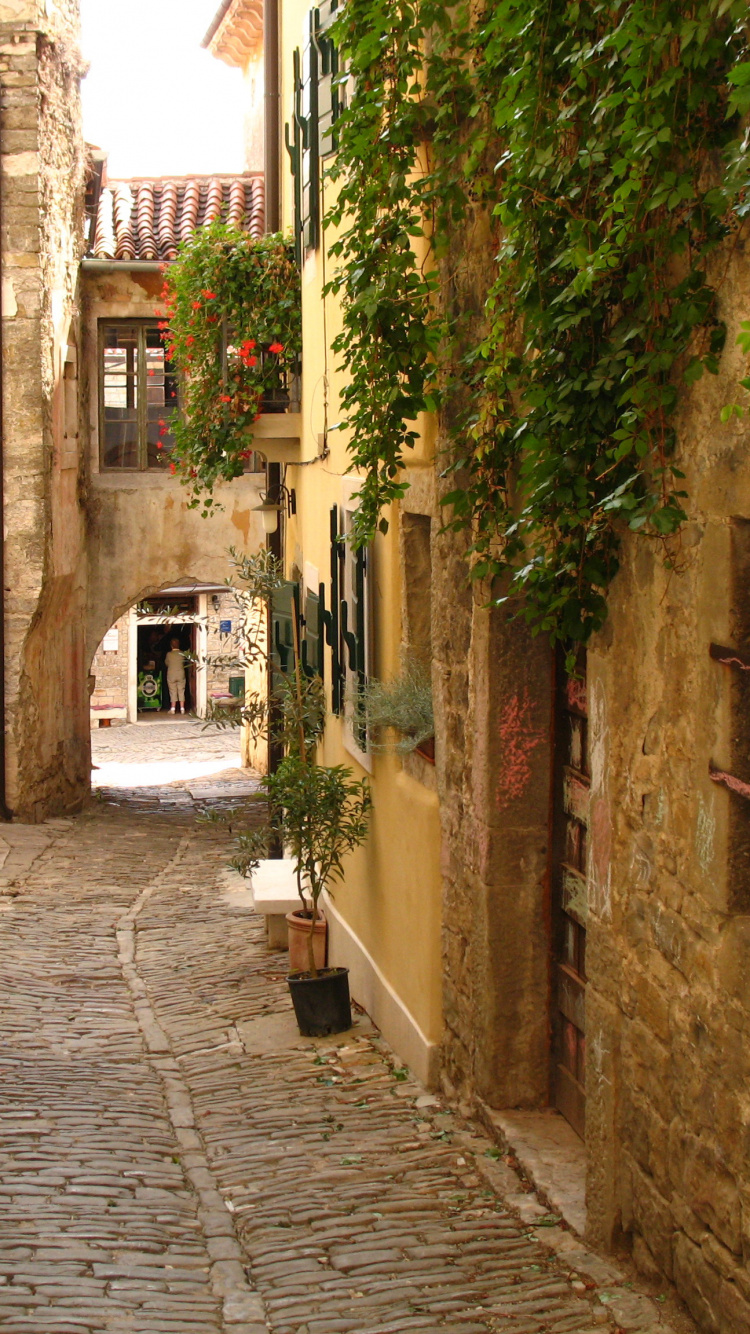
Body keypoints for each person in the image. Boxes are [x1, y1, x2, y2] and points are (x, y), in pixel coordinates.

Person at [164, 637, 186, 714]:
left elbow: (166, 663)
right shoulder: (182, 653)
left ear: (171, 646)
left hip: (171, 674)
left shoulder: (169, 654)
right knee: (181, 690)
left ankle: (173, 708)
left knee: (172, 691)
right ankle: (182, 708)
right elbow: (184, 662)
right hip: (181, 674)